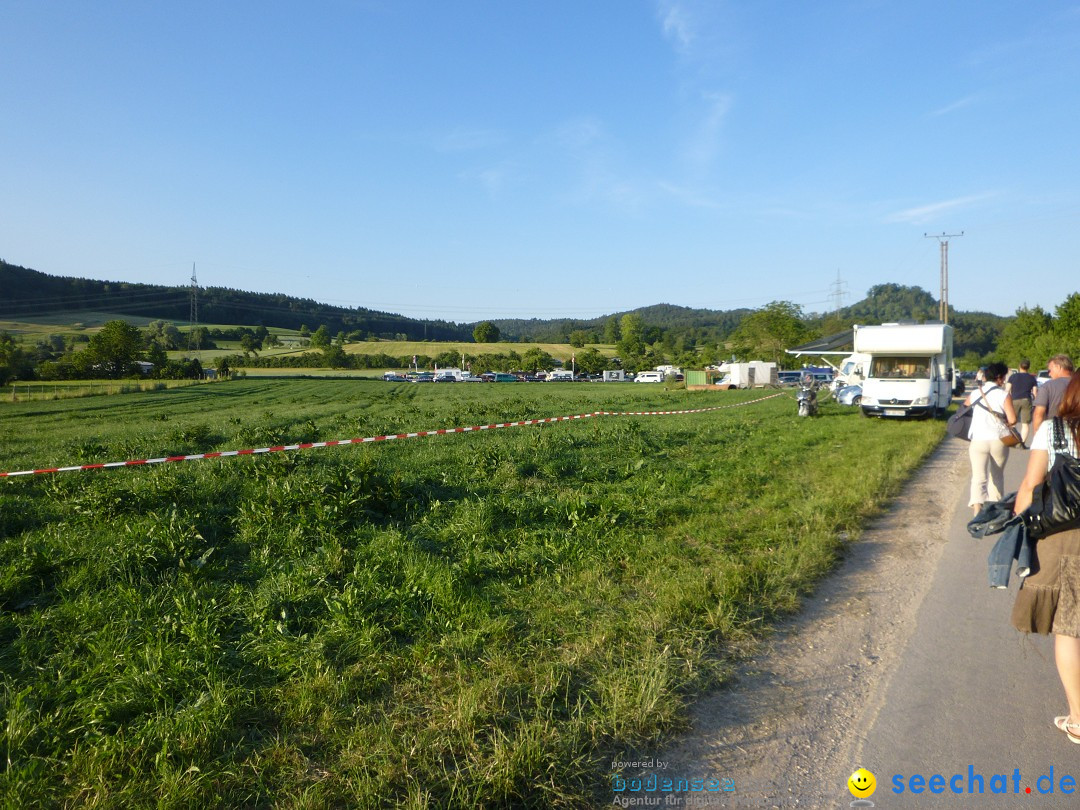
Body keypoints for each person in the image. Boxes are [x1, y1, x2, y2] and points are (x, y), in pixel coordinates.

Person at [1011, 372, 1080, 743]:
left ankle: (1079, 719)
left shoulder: (1053, 431)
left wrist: (1018, 528)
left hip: (1062, 540)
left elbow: (1031, 485)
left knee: (1069, 631)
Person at [965, 362, 1018, 516]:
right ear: (999, 378)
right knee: (996, 475)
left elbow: (965, 408)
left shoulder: (975, 393)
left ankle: (976, 510)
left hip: (978, 439)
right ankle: (994, 509)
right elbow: (1013, 419)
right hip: (998, 439)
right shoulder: (1003, 395)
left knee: (978, 476)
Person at [1032, 354, 1075, 436]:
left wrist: (1037, 436)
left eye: (1049, 370)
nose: (1049, 374)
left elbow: (1038, 414)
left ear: (1058, 367)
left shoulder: (1047, 386)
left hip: (1054, 433)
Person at [1007, 359, 1039, 444]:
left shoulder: (1013, 377)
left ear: (1019, 366)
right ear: (1028, 367)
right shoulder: (1032, 378)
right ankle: (1022, 442)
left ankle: (1012, 440)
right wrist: (1036, 403)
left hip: (1014, 400)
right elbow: (1035, 392)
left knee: (1012, 421)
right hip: (1026, 400)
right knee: (1025, 424)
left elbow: (1007, 390)